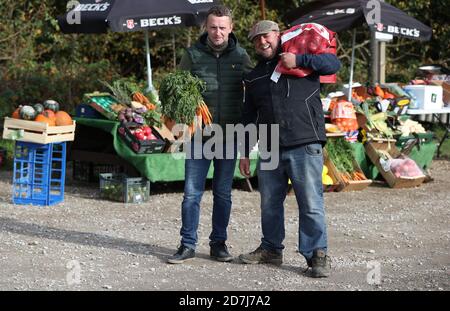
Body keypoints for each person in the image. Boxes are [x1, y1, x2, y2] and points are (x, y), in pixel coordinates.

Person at [238, 20, 341, 278]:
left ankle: (317, 255)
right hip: (270, 145)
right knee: (269, 203)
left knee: (311, 203)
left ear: (278, 36)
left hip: (304, 141)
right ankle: (271, 249)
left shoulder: (302, 60)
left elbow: (333, 64)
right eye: (257, 39)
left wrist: (300, 59)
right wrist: (244, 151)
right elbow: (249, 116)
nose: (262, 42)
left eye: (267, 36)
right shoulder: (254, 77)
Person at [167, 5, 252, 264]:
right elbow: (178, 89)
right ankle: (187, 244)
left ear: (231, 28)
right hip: (198, 138)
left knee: (223, 194)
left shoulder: (241, 56)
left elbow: (255, 88)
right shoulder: (192, 55)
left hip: (228, 137)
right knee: (192, 194)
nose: (217, 32)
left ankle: (218, 244)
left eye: (222, 27)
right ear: (206, 27)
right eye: (213, 27)